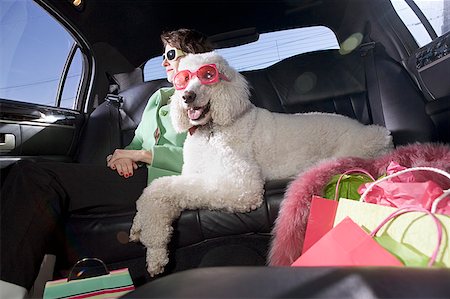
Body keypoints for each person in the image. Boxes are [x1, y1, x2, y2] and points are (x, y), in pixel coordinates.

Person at [0, 28, 213, 298]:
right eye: (163, 55)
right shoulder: (157, 99)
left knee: (35, 176)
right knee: (24, 174)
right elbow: (136, 145)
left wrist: (143, 157)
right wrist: (119, 157)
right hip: (140, 176)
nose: (164, 61)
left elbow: (207, 156)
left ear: (194, 57)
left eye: (171, 53)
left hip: (169, 180)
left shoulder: (209, 98)